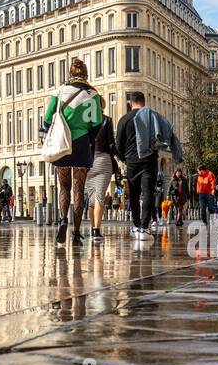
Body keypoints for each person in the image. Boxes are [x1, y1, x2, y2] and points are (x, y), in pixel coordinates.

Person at [42, 58, 101, 246]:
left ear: (70, 74)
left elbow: (47, 119)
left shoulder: (58, 92)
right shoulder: (92, 94)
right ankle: (76, 234)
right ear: (85, 74)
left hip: (62, 145)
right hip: (82, 144)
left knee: (64, 186)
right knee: (79, 188)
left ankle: (62, 220)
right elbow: (97, 123)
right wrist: (89, 140)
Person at [115, 90, 182, 240]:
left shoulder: (124, 120)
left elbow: (118, 145)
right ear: (144, 102)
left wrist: (125, 158)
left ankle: (137, 225)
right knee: (148, 193)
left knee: (133, 194)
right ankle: (145, 228)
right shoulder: (152, 117)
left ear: (130, 103)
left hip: (131, 161)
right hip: (149, 160)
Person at [83, 114, 115, 240]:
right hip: (102, 159)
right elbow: (111, 144)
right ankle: (96, 230)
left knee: (91, 198)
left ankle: (92, 229)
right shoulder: (107, 120)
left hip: (87, 160)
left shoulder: (84, 120)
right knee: (99, 195)